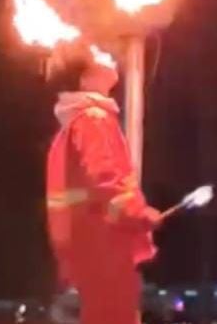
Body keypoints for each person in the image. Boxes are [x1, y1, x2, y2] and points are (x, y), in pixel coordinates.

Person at [46, 56, 164, 324]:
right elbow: (105, 179)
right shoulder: (93, 119)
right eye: (99, 58)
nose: (110, 59)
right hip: (105, 248)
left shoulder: (74, 124)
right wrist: (139, 214)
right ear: (84, 80)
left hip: (87, 247)